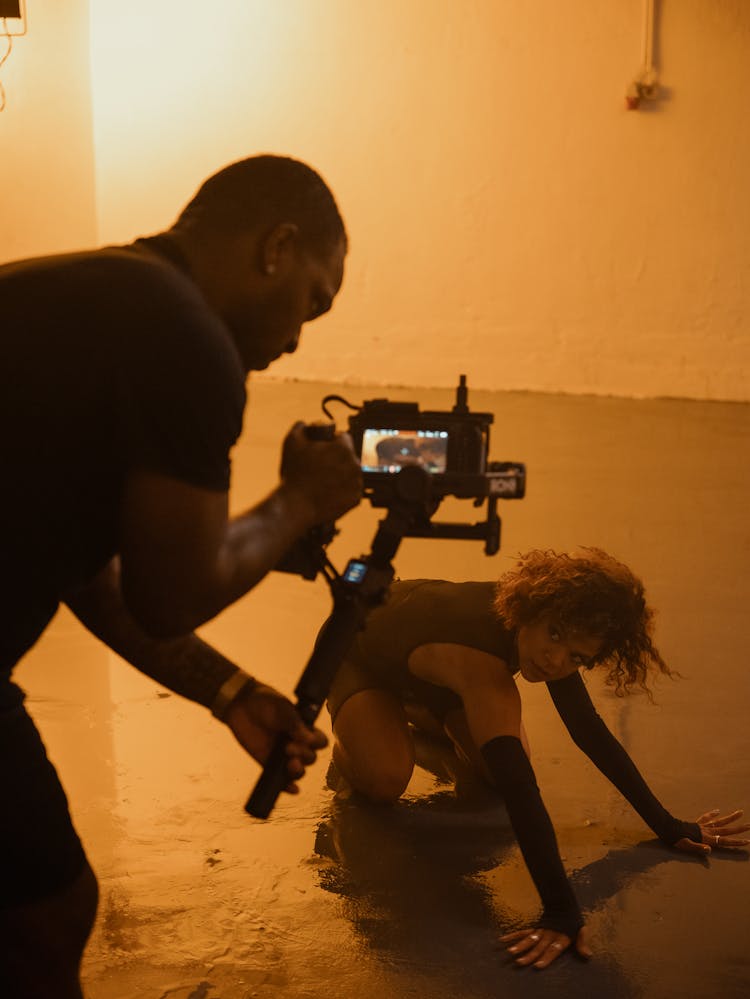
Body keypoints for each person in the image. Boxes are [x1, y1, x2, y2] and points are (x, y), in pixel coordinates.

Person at [0, 154, 363, 997]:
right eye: (313, 297)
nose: (298, 337)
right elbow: (170, 593)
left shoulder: (79, 293)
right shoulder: (185, 337)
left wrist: (228, 688)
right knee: (44, 915)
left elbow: (91, 573)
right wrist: (300, 501)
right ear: (277, 246)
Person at [326, 548, 750, 970]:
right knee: (385, 778)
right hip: (359, 652)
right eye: (554, 635)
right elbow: (521, 789)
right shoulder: (484, 663)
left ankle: (414, 710)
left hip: (440, 674)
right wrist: (561, 912)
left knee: (497, 763)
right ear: (533, 609)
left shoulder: (553, 646)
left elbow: (588, 731)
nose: (556, 659)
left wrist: (667, 825)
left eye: (577, 657)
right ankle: (361, 730)